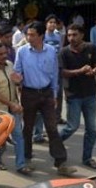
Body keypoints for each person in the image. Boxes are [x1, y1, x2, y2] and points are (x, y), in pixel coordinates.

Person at [12, 21, 76, 176]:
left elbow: (54, 75)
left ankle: (61, 163)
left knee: (52, 128)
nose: (28, 37)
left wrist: (54, 95)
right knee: (27, 128)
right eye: (27, 34)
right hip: (29, 93)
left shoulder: (51, 52)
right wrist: (17, 79)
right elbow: (17, 72)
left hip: (47, 94)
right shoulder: (22, 52)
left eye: (32, 35)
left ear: (41, 36)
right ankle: (26, 158)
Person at [58, 24, 96, 169]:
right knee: (72, 127)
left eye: (74, 35)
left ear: (82, 35)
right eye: (69, 35)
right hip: (73, 94)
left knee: (92, 129)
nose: (71, 38)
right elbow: (63, 73)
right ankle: (55, 142)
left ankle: (87, 158)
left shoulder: (91, 48)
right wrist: (81, 70)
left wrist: (95, 70)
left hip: (90, 94)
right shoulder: (64, 52)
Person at [0, 43, 30, 175]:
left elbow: (15, 83)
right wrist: (11, 104)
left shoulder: (10, 65)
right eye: (0, 54)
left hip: (13, 108)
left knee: (18, 136)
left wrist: (18, 82)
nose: (4, 56)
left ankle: (21, 165)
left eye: (5, 53)